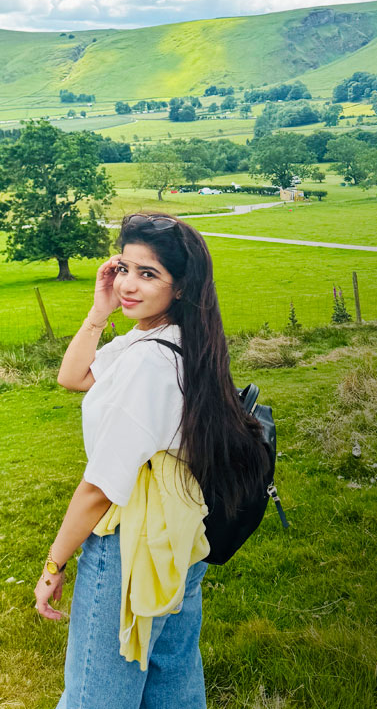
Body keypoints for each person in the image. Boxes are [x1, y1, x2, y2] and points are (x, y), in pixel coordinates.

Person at [35, 213, 270, 708]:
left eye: (148, 274)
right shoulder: (171, 340)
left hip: (133, 547)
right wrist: (99, 312)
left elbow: (99, 488)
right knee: (172, 686)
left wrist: (55, 563)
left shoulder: (149, 362)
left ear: (180, 286)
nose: (128, 285)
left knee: (93, 698)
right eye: (124, 268)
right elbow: (74, 376)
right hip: (181, 536)